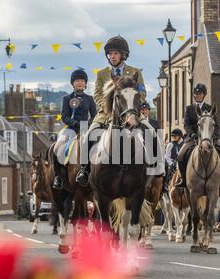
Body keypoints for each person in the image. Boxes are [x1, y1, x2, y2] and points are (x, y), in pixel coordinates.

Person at [76, 35, 159, 187]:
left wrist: (132, 108)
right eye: (109, 53)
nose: (111, 56)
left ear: (123, 55)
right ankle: (84, 170)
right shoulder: (101, 73)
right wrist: (108, 109)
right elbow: (97, 94)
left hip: (131, 112)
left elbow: (142, 93)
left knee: (152, 132)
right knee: (88, 135)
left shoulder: (135, 72)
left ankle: (156, 167)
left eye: (115, 53)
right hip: (106, 114)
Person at [175, 83, 220, 189]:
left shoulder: (209, 108)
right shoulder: (189, 108)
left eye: (199, 94)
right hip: (193, 137)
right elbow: (186, 124)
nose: (197, 96)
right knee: (180, 155)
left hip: (209, 137)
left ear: (204, 95)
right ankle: (183, 179)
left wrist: (214, 135)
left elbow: (216, 124)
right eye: (195, 94)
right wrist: (192, 134)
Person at [52, 69, 97, 190]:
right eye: (77, 81)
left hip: (86, 129)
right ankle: (58, 177)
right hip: (70, 128)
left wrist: (88, 123)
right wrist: (75, 123)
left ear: (85, 83)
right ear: (73, 83)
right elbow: (64, 117)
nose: (80, 83)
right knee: (57, 148)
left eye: (82, 81)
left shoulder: (90, 99)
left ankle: (88, 171)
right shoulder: (67, 98)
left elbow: (94, 115)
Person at [163, 128, 183, 193]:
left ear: (180, 136)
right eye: (172, 136)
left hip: (181, 162)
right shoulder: (170, 144)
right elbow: (166, 156)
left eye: (175, 136)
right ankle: (166, 184)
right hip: (172, 163)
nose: (173, 137)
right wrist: (172, 164)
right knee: (168, 170)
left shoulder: (184, 143)